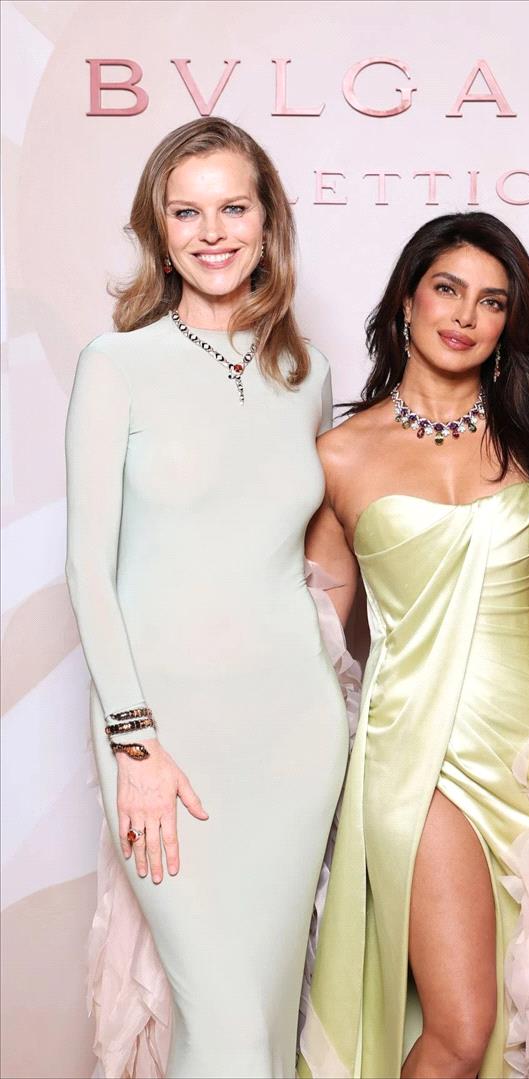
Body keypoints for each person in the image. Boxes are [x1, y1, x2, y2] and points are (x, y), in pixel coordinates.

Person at [300, 211, 529, 1079]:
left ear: (508, 324)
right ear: (406, 301)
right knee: (463, 1024)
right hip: (416, 755)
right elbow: (319, 634)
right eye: (447, 288)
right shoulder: (338, 456)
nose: (465, 315)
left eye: (492, 301)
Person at [65, 117, 348, 1079]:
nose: (213, 232)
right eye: (187, 212)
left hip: (296, 730)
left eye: (234, 208)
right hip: (164, 736)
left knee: (261, 1023)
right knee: (224, 1027)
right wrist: (133, 742)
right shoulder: (117, 366)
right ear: (160, 229)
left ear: (268, 224)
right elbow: (88, 570)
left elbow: (304, 558)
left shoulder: (307, 376)